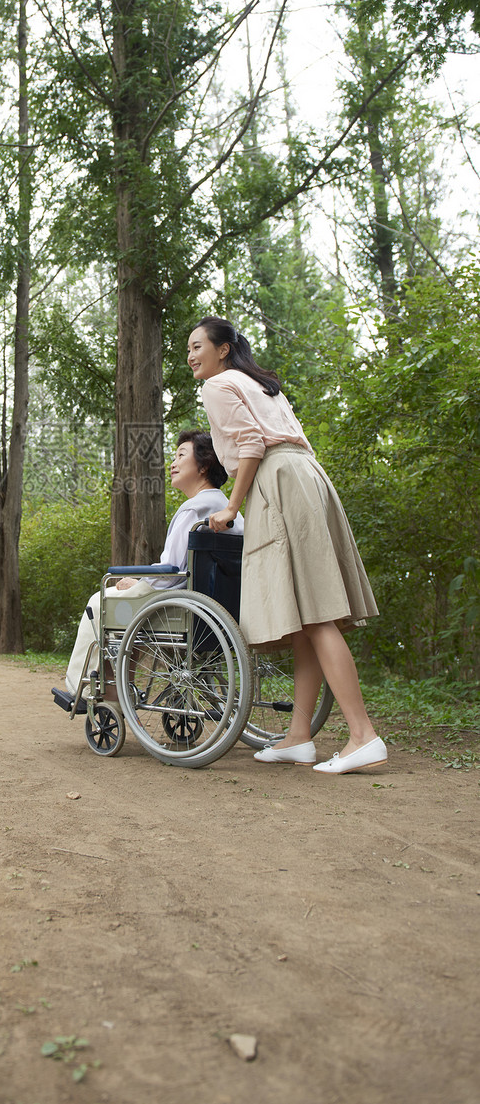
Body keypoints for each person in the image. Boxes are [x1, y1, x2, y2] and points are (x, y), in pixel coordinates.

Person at [187, 317, 386, 774]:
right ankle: (298, 736)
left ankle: (363, 735)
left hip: (278, 480)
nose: (193, 356)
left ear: (222, 350)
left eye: (199, 346)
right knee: (304, 618)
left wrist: (232, 507)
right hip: (306, 476)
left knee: (315, 615)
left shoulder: (218, 386)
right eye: (189, 349)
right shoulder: (262, 384)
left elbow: (252, 444)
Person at [64, 430, 243, 698]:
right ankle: (118, 688)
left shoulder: (193, 509)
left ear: (204, 465)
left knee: (102, 602)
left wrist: (140, 581)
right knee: (127, 612)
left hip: (180, 606)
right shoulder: (230, 511)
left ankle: (88, 687)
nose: (173, 463)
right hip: (220, 608)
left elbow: (171, 570)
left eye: (181, 455)